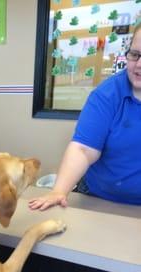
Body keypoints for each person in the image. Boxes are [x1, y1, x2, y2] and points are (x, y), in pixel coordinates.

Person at [29, 23, 141, 211]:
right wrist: (59, 191)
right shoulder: (107, 95)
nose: (139, 65)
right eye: (135, 55)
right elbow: (83, 150)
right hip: (99, 196)